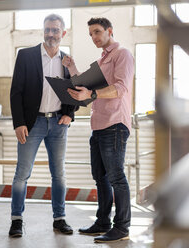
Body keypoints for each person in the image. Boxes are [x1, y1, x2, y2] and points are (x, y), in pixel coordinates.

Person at [63, 17, 134, 243]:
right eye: (90, 34)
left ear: (109, 31)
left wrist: (92, 94)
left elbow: (121, 88)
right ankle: (102, 222)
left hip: (115, 124)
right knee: (100, 177)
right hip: (99, 125)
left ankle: (122, 227)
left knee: (116, 177)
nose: (94, 37)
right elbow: (88, 87)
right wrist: (72, 69)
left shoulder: (122, 54)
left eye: (97, 32)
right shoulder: (103, 59)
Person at [9, 14, 78, 237]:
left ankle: (59, 218)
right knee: (22, 173)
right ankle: (17, 220)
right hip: (32, 123)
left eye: (55, 30)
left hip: (58, 124)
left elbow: (75, 92)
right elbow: (15, 92)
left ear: (63, 33)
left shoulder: (67, 60)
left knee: (59, 174)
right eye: (47, 29)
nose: (51, 34)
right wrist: (18, 123)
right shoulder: (26, 55)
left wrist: (70, 114)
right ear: (43, 30)